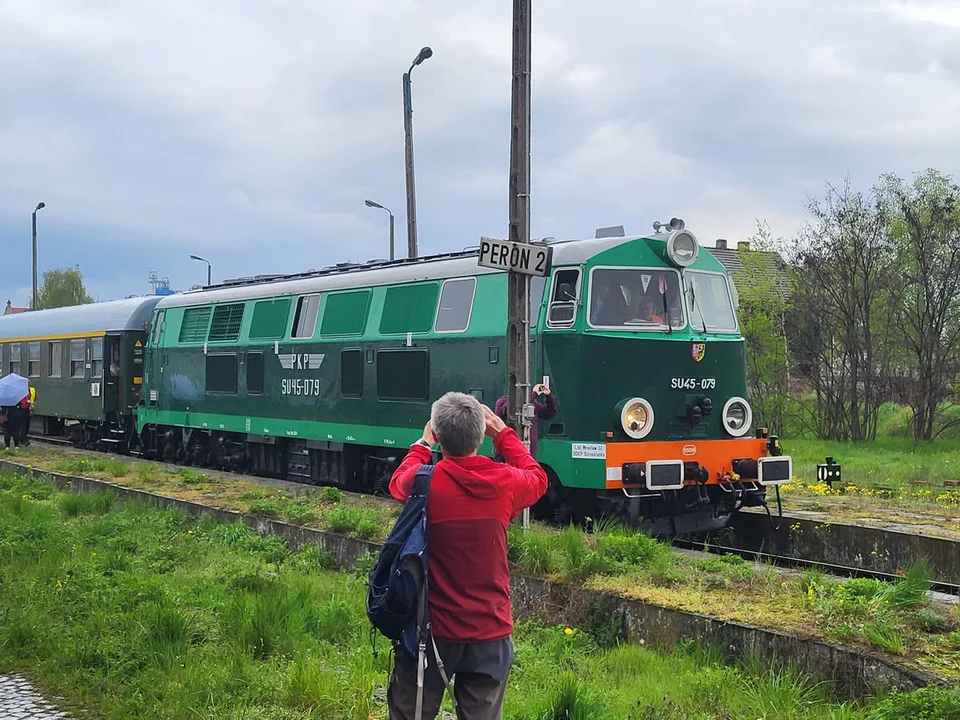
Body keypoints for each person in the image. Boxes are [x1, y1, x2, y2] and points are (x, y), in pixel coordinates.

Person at [387, 391, 548, 720]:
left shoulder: (426, 484)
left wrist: (422, 443)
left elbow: (397, 483)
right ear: (480, 433)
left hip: (430, 634)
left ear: (439, 435)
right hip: (490, 634)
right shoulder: (504, 483)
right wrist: (503, 435)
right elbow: (538, 477)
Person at [494, 383, 557, 459]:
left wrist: (549, 396)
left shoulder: (532, 404)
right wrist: (534, 394)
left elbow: (550, 412)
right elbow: (512, 408)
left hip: (528, 454)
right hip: (506, 455)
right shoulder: (502, 401)